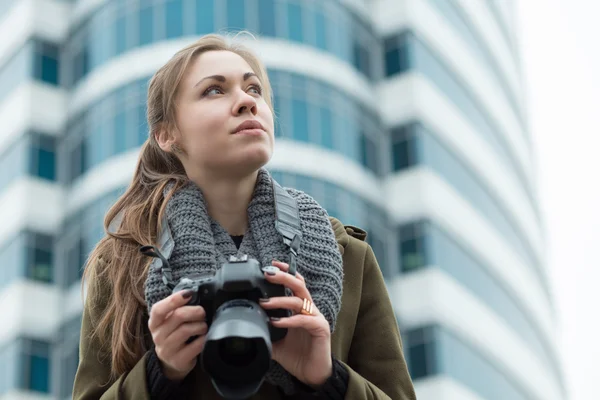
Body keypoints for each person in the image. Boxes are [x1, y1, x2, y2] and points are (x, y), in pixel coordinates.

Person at [72, 33, 416, 400]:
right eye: (214, 91)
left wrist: (329, 378)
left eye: (254, 89)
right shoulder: (124, 261)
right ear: (167, 134)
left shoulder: (348, 256)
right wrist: (160, 371)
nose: (246, 103)